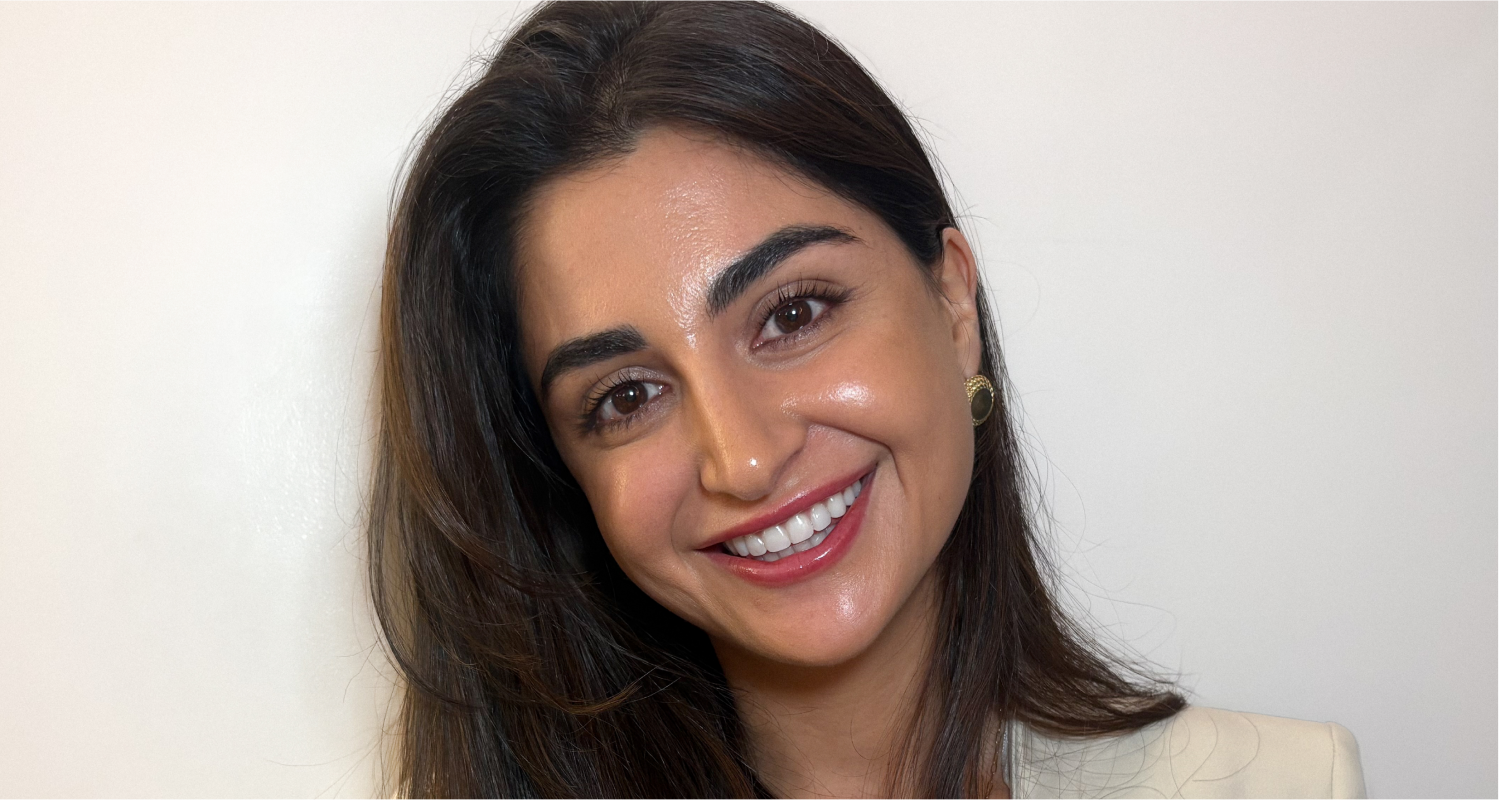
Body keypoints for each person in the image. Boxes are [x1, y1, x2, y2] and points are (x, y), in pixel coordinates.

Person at [367, 0, 1367, 797]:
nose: (743, 457)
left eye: (794, 312)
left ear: (951, 300)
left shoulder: (1286, 784)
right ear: (558, 475)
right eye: (626, 395)